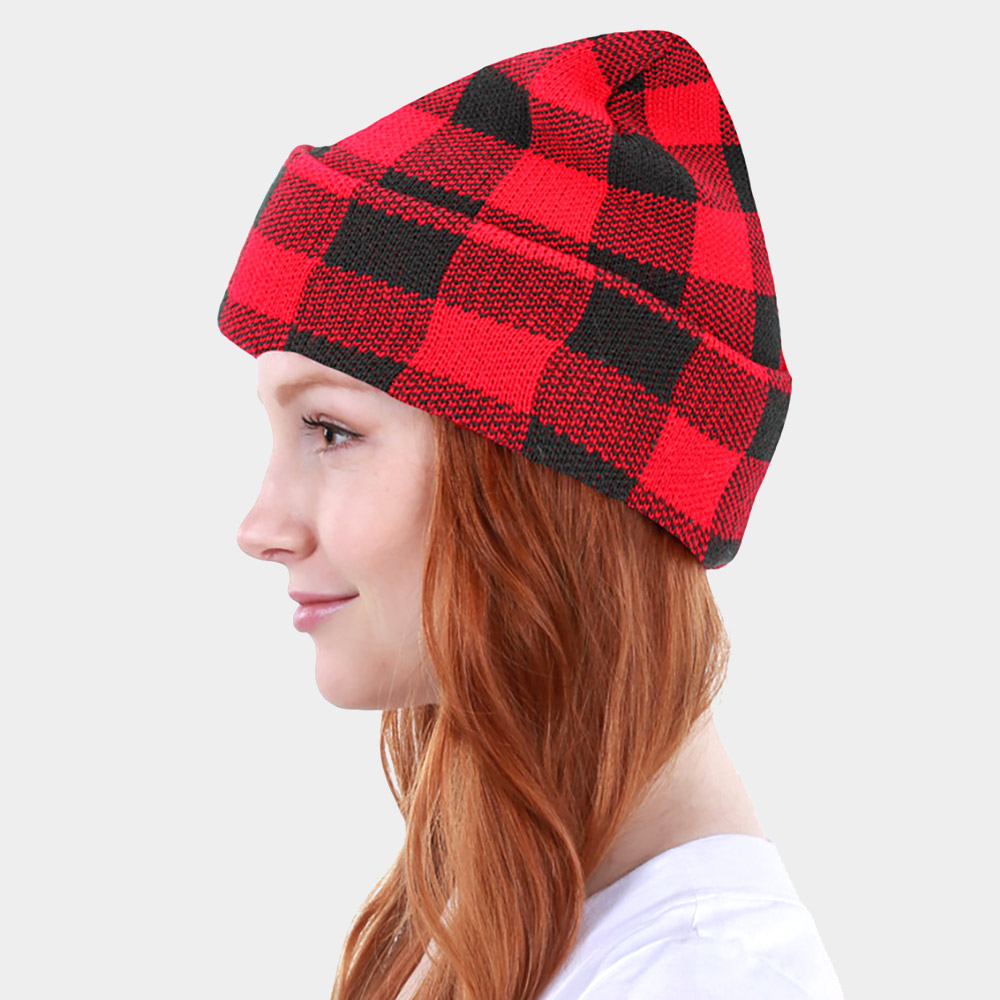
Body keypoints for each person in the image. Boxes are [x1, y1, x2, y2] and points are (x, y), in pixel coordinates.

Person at [219, 28, 844, 1000]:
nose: (261, 527)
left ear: (546, 473)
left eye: (331, 430)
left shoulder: (702, 981)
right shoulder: (539, 928)